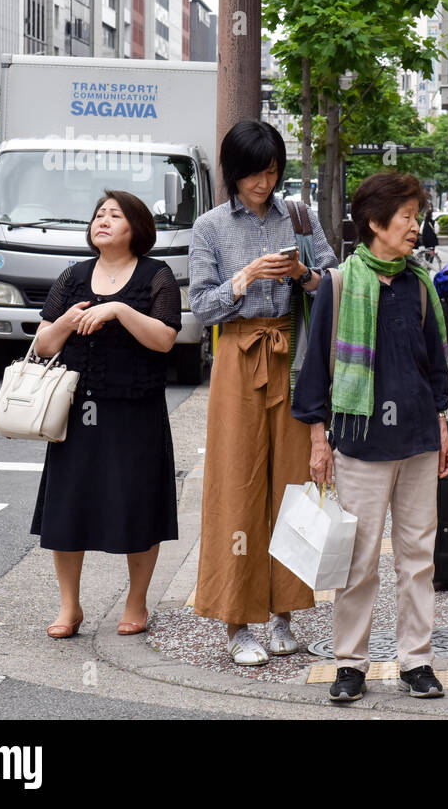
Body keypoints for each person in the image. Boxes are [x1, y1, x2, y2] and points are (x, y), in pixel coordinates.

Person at [292, 172, 448, 703]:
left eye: (417, 216)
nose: (416, 226)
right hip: (360, 443)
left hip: (417, 441)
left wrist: (443, 428)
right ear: (374, 223)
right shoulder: (339, 285)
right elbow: (314, 372)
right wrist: (319, 441)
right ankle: (350, 663)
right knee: (358, 560)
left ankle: (417, 661)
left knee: (418, 556)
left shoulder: (420, 285)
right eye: (407, 217)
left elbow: (435, 369)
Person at [188, 120, 338, 666]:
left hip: (293, 353)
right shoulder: (209, 227)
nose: (264, 182)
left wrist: (303, 274)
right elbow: (200, 308)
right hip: (238, 357)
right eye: (254, 172)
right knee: (236, 483)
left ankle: (283, 615)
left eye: (272, 170)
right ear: (234, 172)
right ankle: (237, 622)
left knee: (293, 486)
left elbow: (333, 282)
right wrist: (244, 277)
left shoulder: (299, 216)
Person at [31, 190, 182, 638]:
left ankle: (136, 602)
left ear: (136, 227)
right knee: (67, 506)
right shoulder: (73, 276)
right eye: (99, 214)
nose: (104, 221)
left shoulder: (157, 275)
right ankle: (69, 607)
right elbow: (43, 345)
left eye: (115, 215)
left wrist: (117, 309)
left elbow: (165, 338)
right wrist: (64, 322)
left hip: (136, 411)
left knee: (139, 506)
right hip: (76, 410)